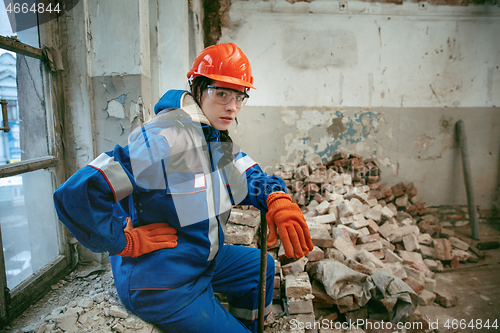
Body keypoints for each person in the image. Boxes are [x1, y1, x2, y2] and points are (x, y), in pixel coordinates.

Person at [53, 43, 314, 333]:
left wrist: (276, 197)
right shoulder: (165, 137)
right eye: (222, 93)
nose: (232, 106)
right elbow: (76, 194)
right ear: (198, 89)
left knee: (259, 268)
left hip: (198, 258)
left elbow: (246, 171)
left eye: (240, 96)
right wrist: (122, 242)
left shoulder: (211, 134)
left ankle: (245, 326)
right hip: (161, 282)